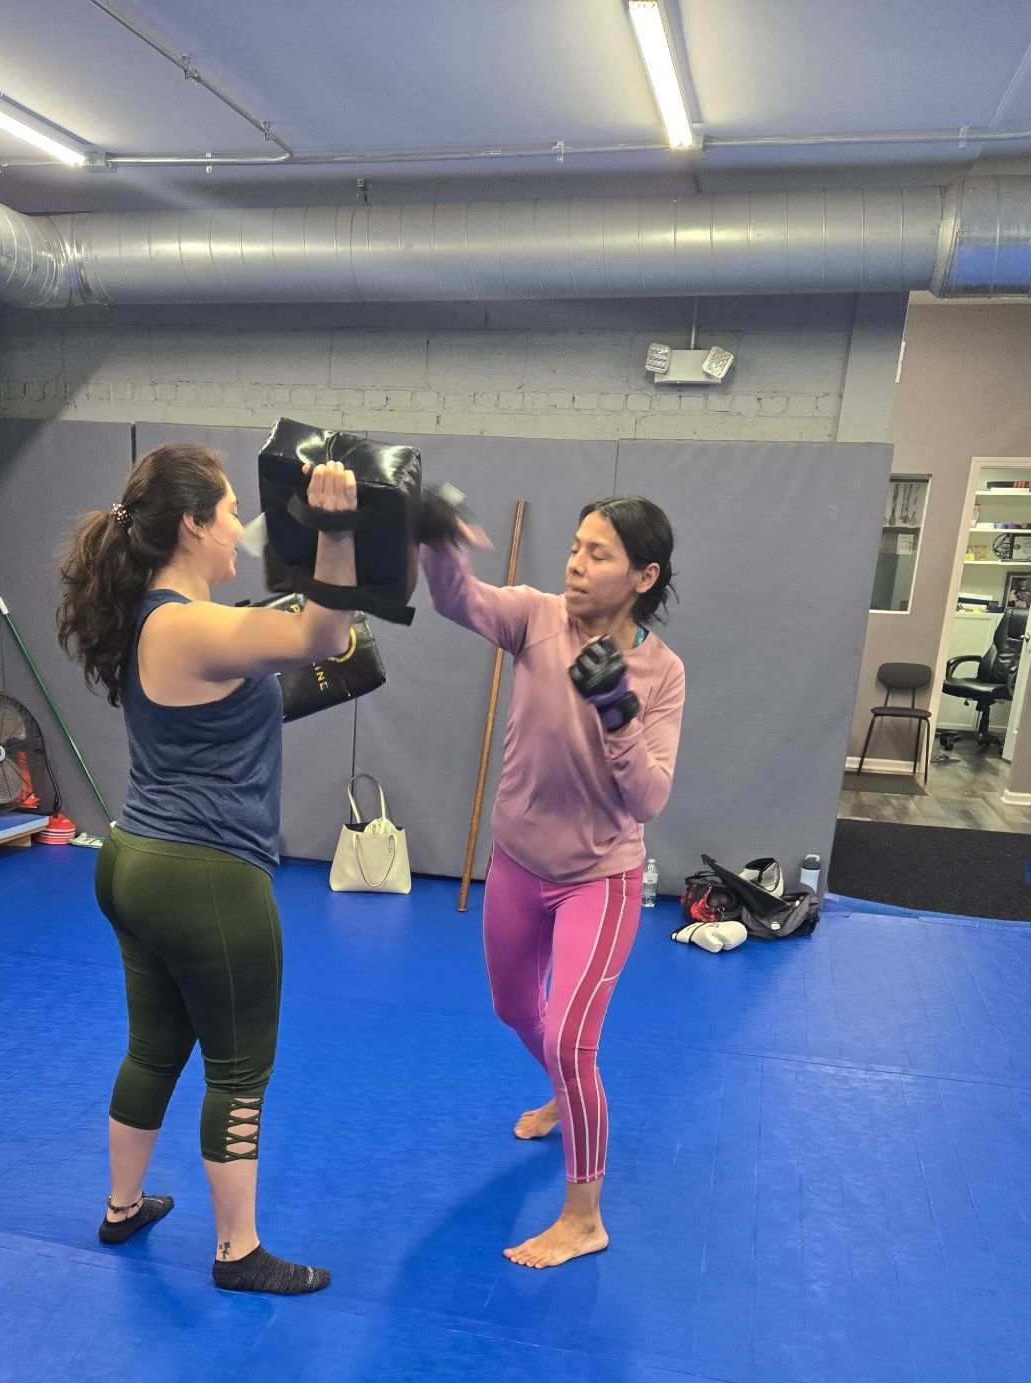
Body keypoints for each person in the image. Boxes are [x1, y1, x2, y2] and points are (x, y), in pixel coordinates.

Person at [56, 442, 359, 1294]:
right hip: (206, 875)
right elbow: (323, 633)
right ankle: (238, 1252)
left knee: (154, 1048)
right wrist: (335, 530)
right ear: (191, 525)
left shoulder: (153, 618)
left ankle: (122, 1206)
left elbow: (234, 702)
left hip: (134, 860)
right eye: (229, 512)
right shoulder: (193, 624)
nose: (240, 529)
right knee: (238, 1069)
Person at [420, 497, 685, 1269]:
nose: (575, 563)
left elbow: (649, 799)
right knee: (512, 1007)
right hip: (517, 862)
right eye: (575, 547)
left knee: (572, 1037)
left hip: (599, 878)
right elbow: (454, 597)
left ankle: (584, 1217)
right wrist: (439, 545)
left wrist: (617, 712)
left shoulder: (662, 673)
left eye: (598, 554)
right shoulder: (535, 617)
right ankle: (569, 1095)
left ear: (643, 575)